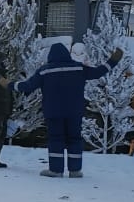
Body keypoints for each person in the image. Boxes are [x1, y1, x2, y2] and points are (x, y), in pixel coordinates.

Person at [12, 42, 123, 178]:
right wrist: (113, 60)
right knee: (75, 139)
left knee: (56, 139)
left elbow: (27, 86)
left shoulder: (45, 71)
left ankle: (56, 170)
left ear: (51, 56)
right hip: (74, 112)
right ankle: (75, 170)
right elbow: (98, 72)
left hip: (53, 112)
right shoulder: (78, 68)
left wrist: (10, 85)